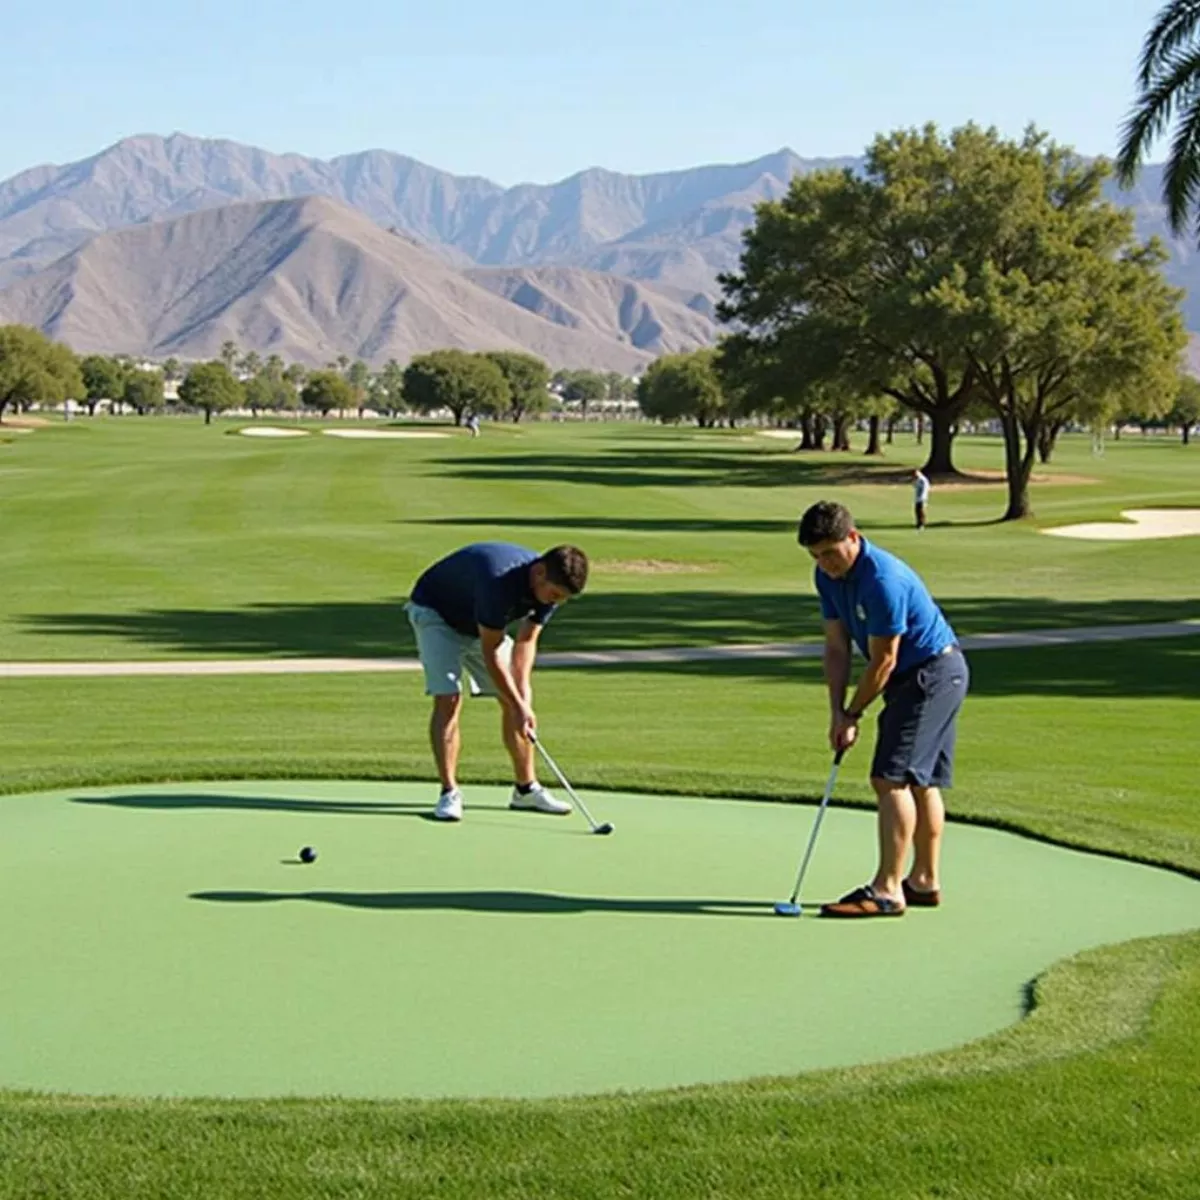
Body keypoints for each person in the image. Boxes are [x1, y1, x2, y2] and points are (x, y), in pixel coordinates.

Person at [796, 501, 968, 918]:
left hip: (932, 674)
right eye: (816, 555)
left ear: (853, 538)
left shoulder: (883, 580)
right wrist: (836, 711)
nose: (825, 563)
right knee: (920, 782)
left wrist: (854, 714)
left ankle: (888, 890)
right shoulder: (827, 577)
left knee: (889, 778)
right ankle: (924, 881)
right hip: (925, 676)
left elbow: (883, 661)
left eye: (831, 552)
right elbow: (836, 648)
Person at [405, 542, 589, 821]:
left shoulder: (548, 592)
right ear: (539, 573)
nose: (554, 602)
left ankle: (525, 790)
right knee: (449, 698)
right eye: (554, 594)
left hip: (480, 625)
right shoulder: (499, 581)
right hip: (436, 615)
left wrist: (522, 698)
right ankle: (449, 792)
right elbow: (491, 651)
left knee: (515, 699)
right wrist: (518, 704)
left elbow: (527, 641)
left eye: (562, 598)